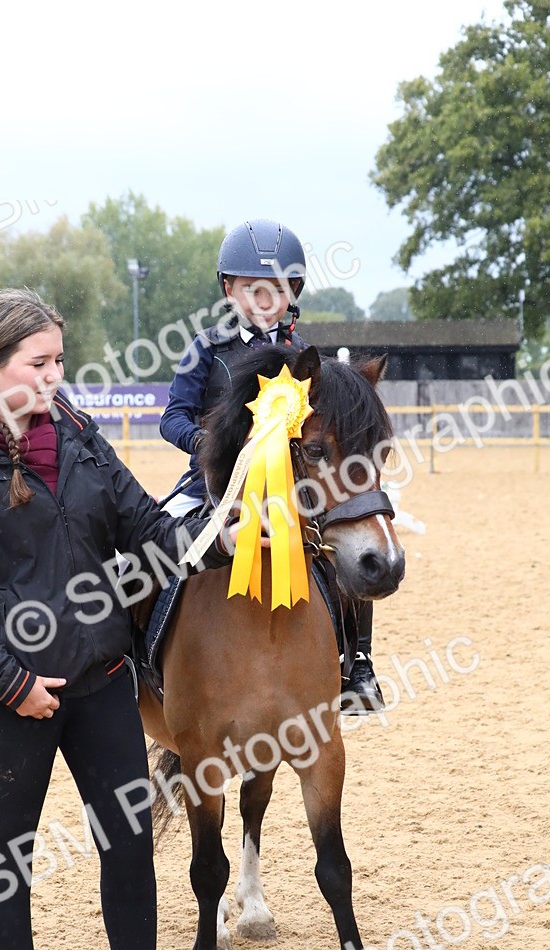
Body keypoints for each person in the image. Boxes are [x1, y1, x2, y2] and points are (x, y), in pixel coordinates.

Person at [0, 288, 251, 950]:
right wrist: (11, 681)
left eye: (61, 360)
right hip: (9, 700)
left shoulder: (84, 442)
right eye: (40, 363)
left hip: (100, 681)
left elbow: (149, 530)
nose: (56, 376)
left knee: (129, 843)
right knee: (10, 855)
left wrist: (215, 536)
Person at [159, 218, 384, 711]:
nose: (264, 300)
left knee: (348, 539)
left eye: (277, 289)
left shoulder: (306, 357)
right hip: (216, 483)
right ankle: (143, 659)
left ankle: (358, 665)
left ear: (293, 292)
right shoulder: (207, 349)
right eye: (251, 289)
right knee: (158, 544)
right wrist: (209, 443)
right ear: (229, 289)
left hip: (294, 487)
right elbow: (171, 418)